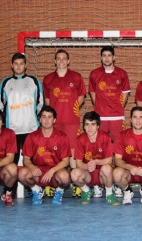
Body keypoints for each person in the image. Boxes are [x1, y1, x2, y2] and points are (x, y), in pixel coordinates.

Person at [43, 49, 86, 198]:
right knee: (53, 152)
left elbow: (81, 96)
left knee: (73, 152)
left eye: (64, 59)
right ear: (55, 61)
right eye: (58, 59)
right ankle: (51, 185)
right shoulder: (48, 79)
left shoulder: (76, 77)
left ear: (68, 61)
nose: (61, 61)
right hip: (55, 123)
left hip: (71, 121)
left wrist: (74, 107)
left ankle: (76, 185)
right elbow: (47, 102)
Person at [0, 53, 44, 166]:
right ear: (12, 65)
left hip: (31, 128)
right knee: (11, 162)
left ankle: (32, 184)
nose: (18, 66)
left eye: (21, 63)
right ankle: (10, 184)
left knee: (32, 161)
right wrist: (4, 124)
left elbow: (41, 103)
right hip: (12, 129)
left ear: (26, 65)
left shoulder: (34, 81)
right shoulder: (5, 83)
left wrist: (34, 119)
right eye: (16, 64)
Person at [18, 106, 71, 205]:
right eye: (44, 117)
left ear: (54, 120)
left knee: (65, 177)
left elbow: (66, 161)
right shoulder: (32, 137)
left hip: (55, 172)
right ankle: (36, 190)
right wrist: (32, 167)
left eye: (50, 117)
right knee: (22, 173)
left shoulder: (62, 137)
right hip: (38, 173)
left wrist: (52, 170)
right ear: (40, 119)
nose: (46, 120)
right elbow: (26, 159)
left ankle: (59, 191)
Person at [71, 111, 120, 206]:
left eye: (93, 124)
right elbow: (78, 163)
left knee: (107, 168)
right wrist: (87, 166)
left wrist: (96, 162)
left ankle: (109, 194)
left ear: (98, 126)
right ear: (84, 126)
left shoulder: (105, 137)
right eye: (87, 124)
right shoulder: (80, 140)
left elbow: (109, 159)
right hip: (88, 173)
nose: (89, 128)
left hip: (102, 174)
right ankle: (86, 191)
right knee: (74, 173)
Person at [88, 46, 131, 142]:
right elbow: (92, 92)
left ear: (114, 57)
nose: (107, 58)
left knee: (118, 145)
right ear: (101, 58)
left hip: (117, 116)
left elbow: (125, 94)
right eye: (104, 56)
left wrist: (117, 107)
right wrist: (100, 106)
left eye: (109, 56)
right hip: (100, 116)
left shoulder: (122, 73)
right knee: (100, 144)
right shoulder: (94, 74)